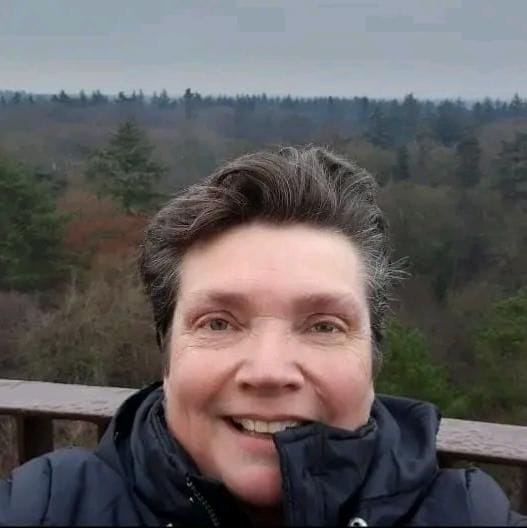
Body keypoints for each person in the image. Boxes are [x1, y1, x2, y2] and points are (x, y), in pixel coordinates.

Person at [0, 146, 525, 527]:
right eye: (219, 323)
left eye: (323, 325)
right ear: (168, 355)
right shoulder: (47, 506)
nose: (269, 371)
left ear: (373, 359)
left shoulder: (468, 515)